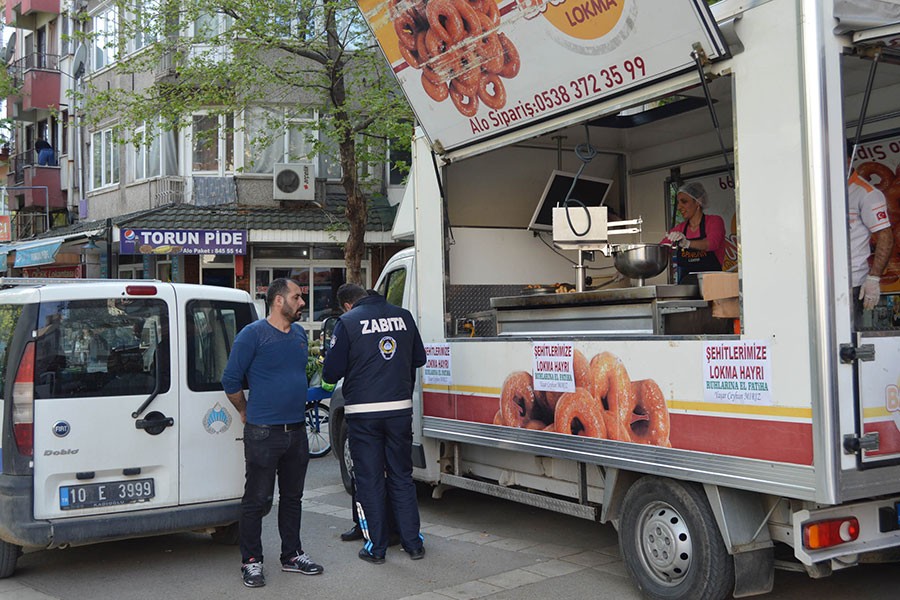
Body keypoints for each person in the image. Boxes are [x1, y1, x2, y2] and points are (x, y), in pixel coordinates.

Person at [221, 278, 324, 588]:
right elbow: (231, 381)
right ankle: (251, 561)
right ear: (279, 301)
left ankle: (292, 555)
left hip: (296, 431)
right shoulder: (252, 335)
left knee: (293, 497)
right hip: (263, 432)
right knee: (257, 499)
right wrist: (243, 411)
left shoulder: (299, 336)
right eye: (297, 297)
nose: (302, 302)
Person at [322, 283, 427, 564]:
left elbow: (331, 373)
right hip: (399, 411)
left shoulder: (348, 322)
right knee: (402, 477)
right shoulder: (403, 316)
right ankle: (413, 544)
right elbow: (420, 358)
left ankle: (376, 548)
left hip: (363, 414)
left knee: (369, 480)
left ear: (347, 304)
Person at [847, 169, 893, 327]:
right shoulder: (821, 189)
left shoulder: (866, 193)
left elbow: (885, 235)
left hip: (851, 282)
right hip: (816, 279)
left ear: (846, 160)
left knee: (845, 338)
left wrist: (873, 278)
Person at [662, 182, 727, 285]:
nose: (679, 207)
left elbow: (711, 244)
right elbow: (662, 249)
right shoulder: (680, 228)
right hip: (687, 289)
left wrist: (687, 243)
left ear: (698, 202)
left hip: (713, 286)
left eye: (684, 202)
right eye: (678, 203)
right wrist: (666, 247)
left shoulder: (714, 221)